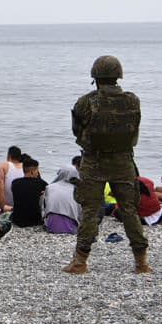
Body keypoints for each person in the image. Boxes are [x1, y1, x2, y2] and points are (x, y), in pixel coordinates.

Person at [64, 55, 151, 274]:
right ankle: (141, 262)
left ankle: (80, 261)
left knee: (91, 210)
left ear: (96, 77)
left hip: (94, 161)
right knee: (129, 210)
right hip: (123, 161)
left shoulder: (86, 101)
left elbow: (77, 130)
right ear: (117, 75)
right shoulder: (133, 100)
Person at [10, 157, 47, 228]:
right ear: (32, 172)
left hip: (17, 220)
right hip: (35, 221)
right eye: (37, 171)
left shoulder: (15, 182)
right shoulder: (41, 183)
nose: (37, 173)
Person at [43, 167, 81, 235]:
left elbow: (45, 206)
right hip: (71, 227)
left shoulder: (49, 187)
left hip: (50, 226)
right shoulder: (77, 189)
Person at [0, 146, 24, 211]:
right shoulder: (25, 166)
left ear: (8, 156)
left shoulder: (3, 165)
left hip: (6, 207)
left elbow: (0, 188)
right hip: (22, 207)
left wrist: (2, 207)